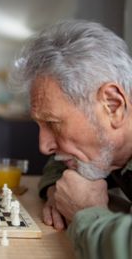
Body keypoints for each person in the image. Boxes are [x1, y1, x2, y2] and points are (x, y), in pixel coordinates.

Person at [11, 20, 132, 259]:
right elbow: (59, 163)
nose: (43, 146)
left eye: (53, 124)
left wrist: (86, 211)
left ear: (112, 105)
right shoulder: (103, 152)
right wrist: (60, 188)